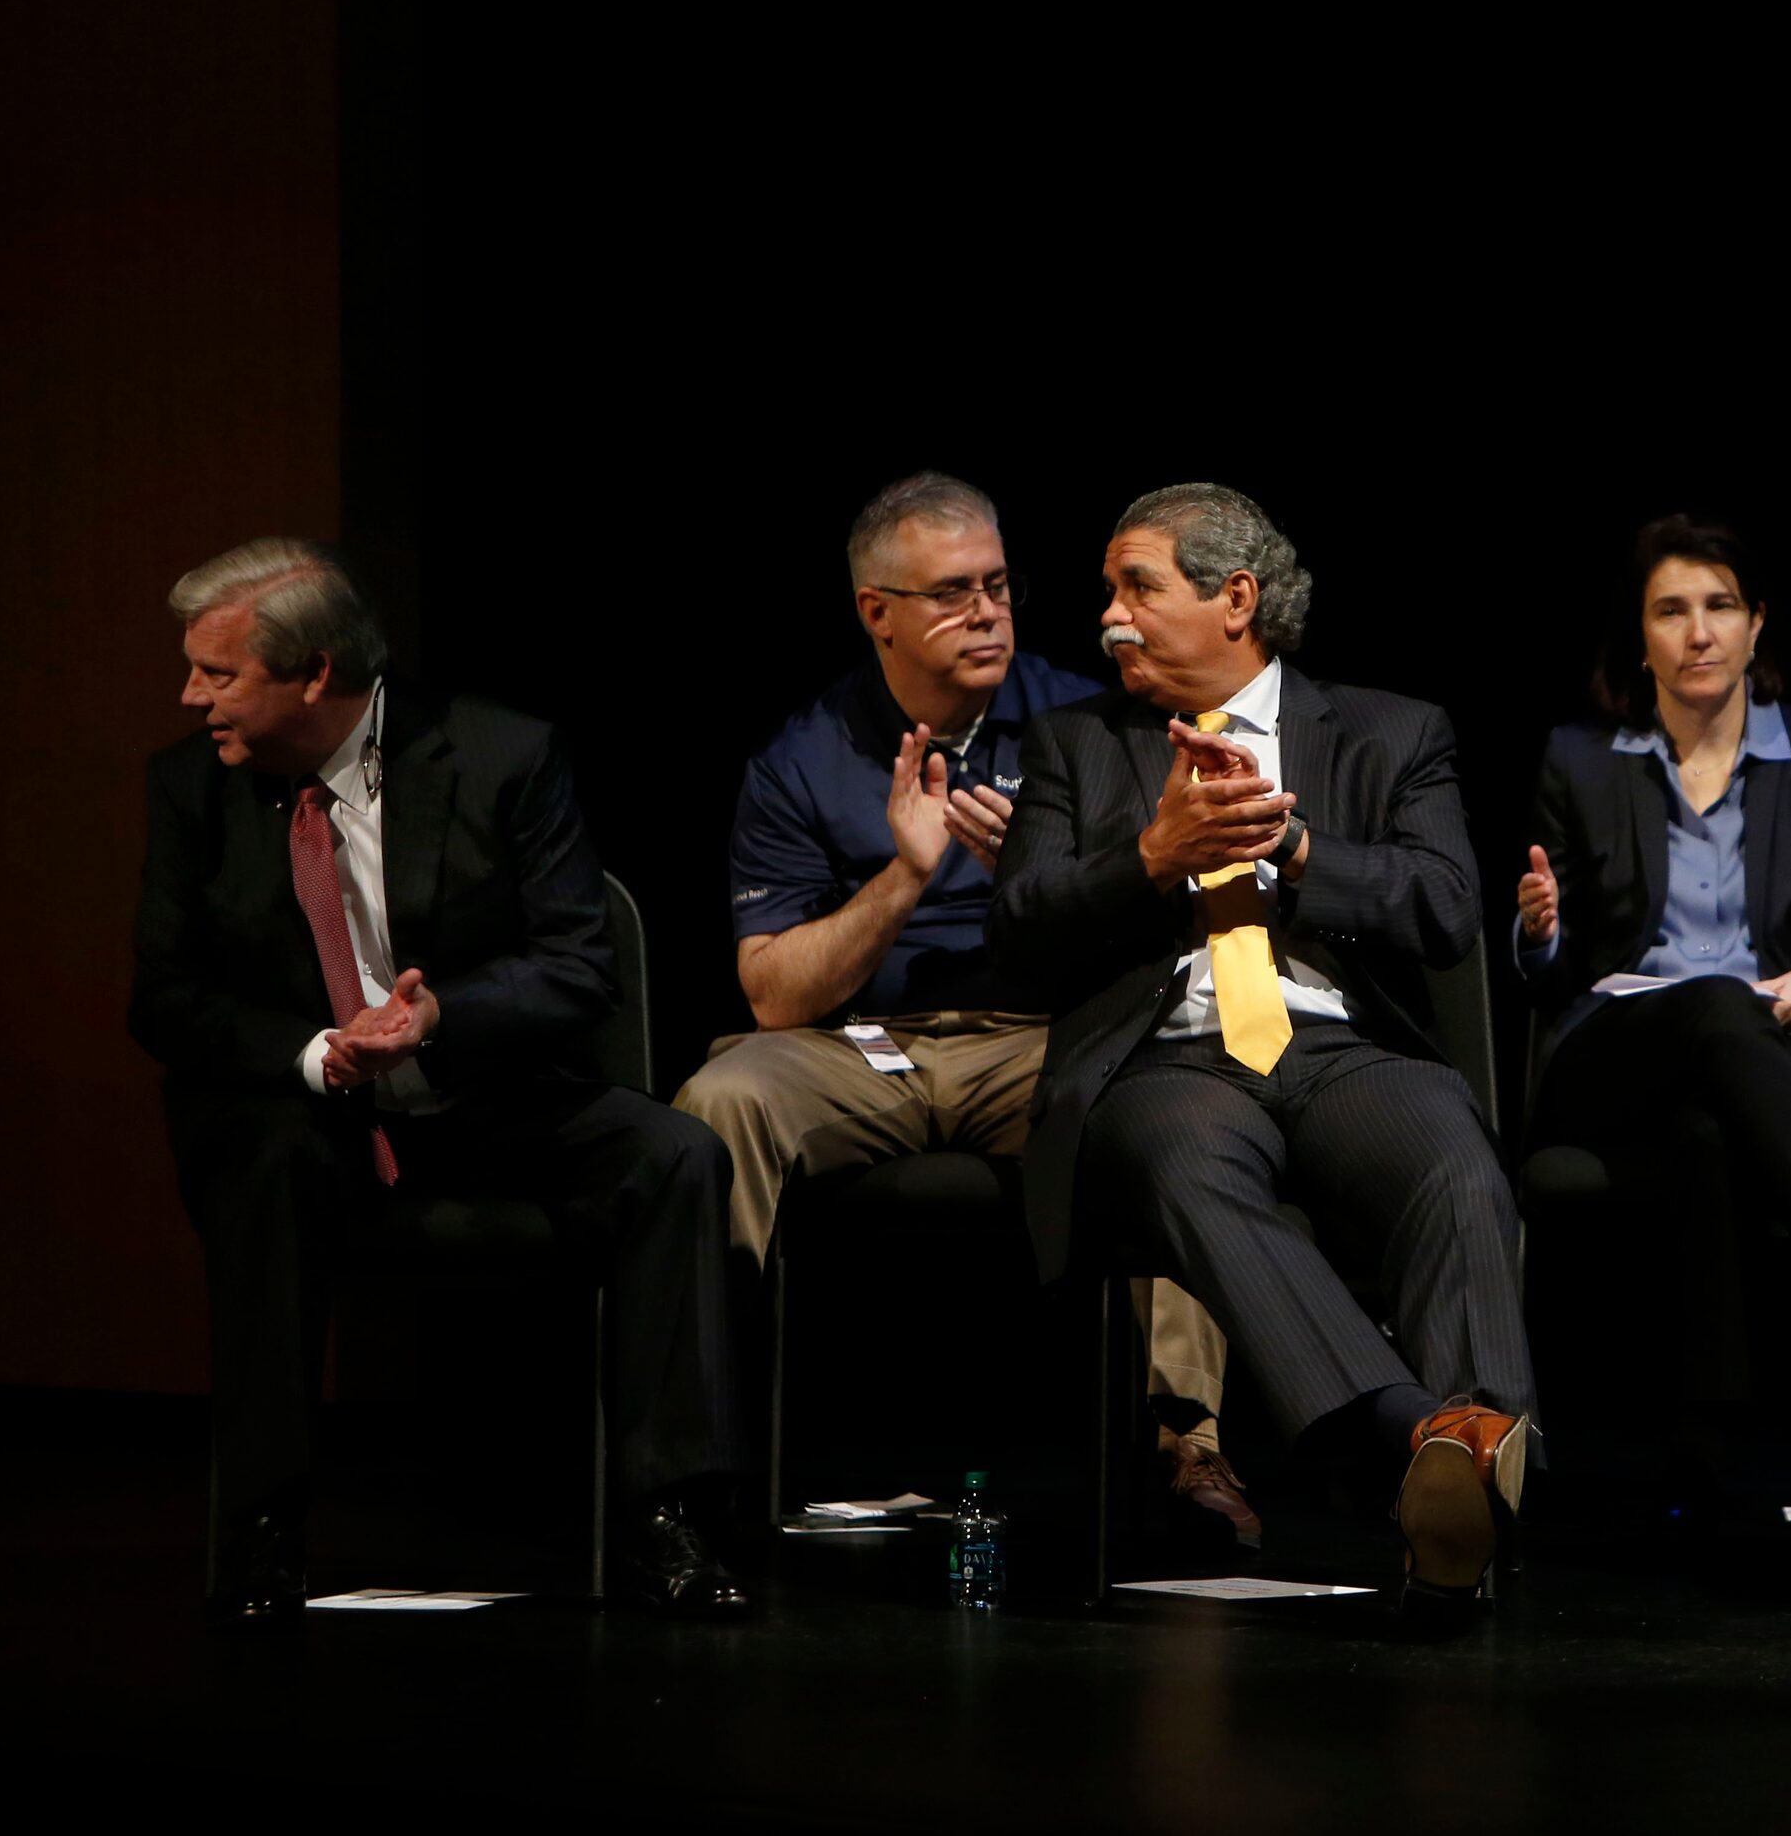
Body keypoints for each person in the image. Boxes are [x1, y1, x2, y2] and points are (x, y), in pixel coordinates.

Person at [131, 538, 756, 1624]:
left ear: (314, 672)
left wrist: (437, 1017)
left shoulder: (501, 754)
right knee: (262, 1161)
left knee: (677, 1156)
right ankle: (263, 1530)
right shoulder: (193, 789)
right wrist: (321, 1054)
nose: (192, 697)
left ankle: (670, 1522)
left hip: (479, 1093)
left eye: (217, 673)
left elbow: (577, 962)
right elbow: (166, 998)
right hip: (305, 1112)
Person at [670, 472, 1252, 1545]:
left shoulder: (1090, 728)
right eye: (951, 593)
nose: (987, 612)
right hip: (854, 1049)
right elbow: (770, 992)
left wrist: (1044, 880)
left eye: (997, 585)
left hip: (1037, 1042)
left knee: (1177, 1101)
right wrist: (903, 878)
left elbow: (1157, 929)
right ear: (876, 612)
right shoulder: (802, 757)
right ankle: (698, 1462)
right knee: (720, 1100)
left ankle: (1190, 1449)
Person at [989, 482, 1536, 1617]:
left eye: (1138, 587)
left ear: (1236, 599)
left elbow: (1443, 910)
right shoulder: (1078, 744)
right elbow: (1022, 927)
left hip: (1341, 1049)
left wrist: (1291, 845)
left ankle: (1458, 1520)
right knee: (1187, 1163)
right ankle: (1431, 1447)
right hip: (1173, 1057)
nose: (1112, 618)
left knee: (1450, 1154)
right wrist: (1152, 855)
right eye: (1109, 591)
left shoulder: (1391, 731)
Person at [1514, 514, 1791, 1405]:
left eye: (1720, 606)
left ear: (1757, 623)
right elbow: (1553, 980)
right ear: (1641, 639)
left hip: (1783, 1046)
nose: (1699, 632)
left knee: (1708, 1134)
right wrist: (1542, 934)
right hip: (1619, 1050)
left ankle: (1705, 1454)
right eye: (1671, 611)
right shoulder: (1583, 759)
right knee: (1713, 1003)